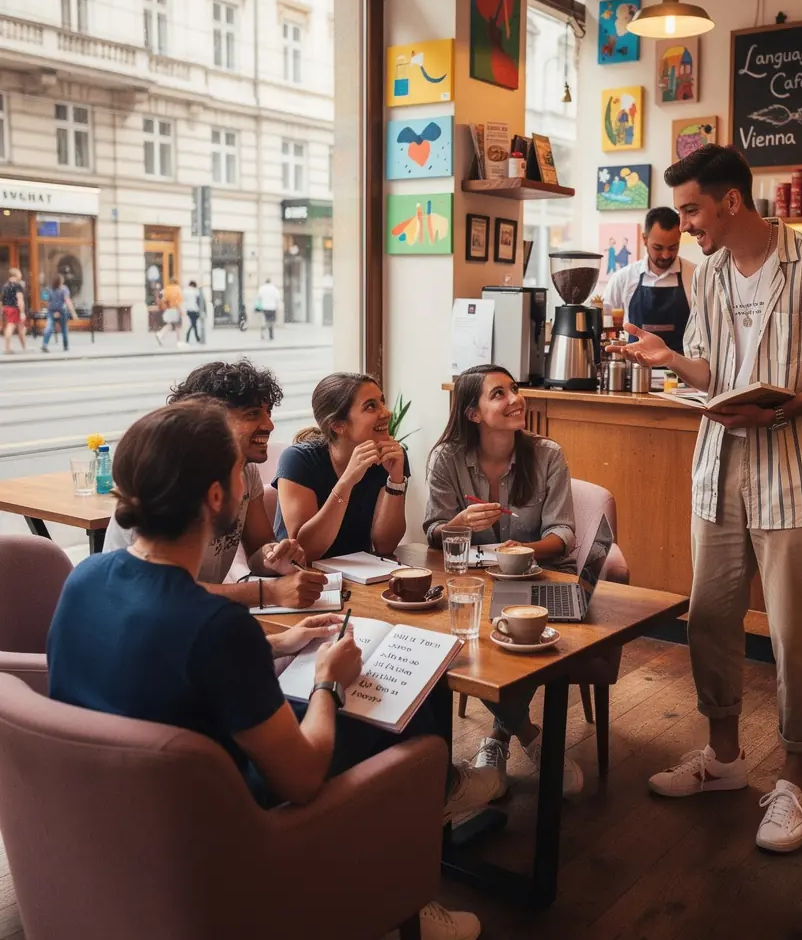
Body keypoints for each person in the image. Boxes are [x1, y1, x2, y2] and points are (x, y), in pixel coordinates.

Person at [48, 401, 487, 940]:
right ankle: (405, 897)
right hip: (227, 833)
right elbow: (301, 779)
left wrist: (282, 642)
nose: (247, 485)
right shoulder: (216, 628)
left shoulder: (84, 577)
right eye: (240, 472)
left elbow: (162, 650)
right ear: (215, 496)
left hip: (111, 820)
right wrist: (327, 681)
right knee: (408, 716)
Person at [610, 144, 802, 853]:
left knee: (793, 634)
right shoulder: (713, 274)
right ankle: (723, 759)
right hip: (719, 466)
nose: (685, 225)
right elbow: (711, 369)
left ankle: (794, 782)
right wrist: (670, 361)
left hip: (794, 469)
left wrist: (778, 411)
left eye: (692, 210)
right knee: (711, 620)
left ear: (730, 201)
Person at [423, 364, 584, 798]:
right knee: (465, 638)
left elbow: (563, 535)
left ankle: (496, 737)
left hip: (541, 576)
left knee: (518, 636)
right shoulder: (446, 458)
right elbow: (434, 531)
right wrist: (458, 523)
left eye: (514, 389)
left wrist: (520, 551)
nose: (515, 399)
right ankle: (528, 734)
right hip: (477, 581)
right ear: (473, 413)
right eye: (499, 394)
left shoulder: (547, 454)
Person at [104, 360, 323, 611]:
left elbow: (257, 551)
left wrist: (274, 556)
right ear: (210, 420)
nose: (269, 425)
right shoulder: (171, 478)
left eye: (268, 412)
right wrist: (269, 592)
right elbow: (169, 590)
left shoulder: (247, 471)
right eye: (253, 414)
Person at [274, 373, 410, 562]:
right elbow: (304, 552)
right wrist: (347, 481)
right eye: (371, 406)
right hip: (297, 574)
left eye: (382, 402)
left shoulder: (389, 457)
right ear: (338, 425)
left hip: (359, 574)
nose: (387, 413)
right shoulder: (298, 460)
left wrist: (395, 481)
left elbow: (384, 546)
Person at [595, 207, 695, 355]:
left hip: (681, 368)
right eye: (658, 248)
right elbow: (605, 325)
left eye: (673, 247)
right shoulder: (623, 278)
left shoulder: (695, 276)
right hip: (635, 366)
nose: (666, 255)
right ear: (644, 239)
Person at [41, 272, 76, 353]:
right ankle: (66, 346)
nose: (63, 282)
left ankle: (45, 345)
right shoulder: (64, 289)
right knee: (64, 329)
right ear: (58, 282)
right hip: (61, 311)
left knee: (49, 328)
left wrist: (51, 307)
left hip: (52, 311)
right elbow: (67, 300)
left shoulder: (47, 289)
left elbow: (44, 301)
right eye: (62, 281)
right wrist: (73, 312)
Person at [2, 268, 27, 355]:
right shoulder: (17, 285)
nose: (21, 275)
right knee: (11, 326)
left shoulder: (5, 286)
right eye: (19, 273)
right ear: (16, 275)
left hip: (7, 307)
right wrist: (22, 312)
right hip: (14, 308)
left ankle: (24, 347)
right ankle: (7, 348)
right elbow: (20, 299)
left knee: (20, 327)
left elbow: (2, 298)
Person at [156, 277, 184, 347]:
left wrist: (163, 305)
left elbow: (160, 297)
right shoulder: (178, 289)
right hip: (175, 310)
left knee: (170, 324)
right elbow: (178, 302)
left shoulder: (166, 289)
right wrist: (180, 310)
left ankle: (160, 334)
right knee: (177, 325)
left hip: (168, 309)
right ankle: (178, 342)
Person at [183, 280, 203, 344]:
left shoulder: (185, 291)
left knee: (194, 324)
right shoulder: (195, 291)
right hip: (194, 310)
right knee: (193, 324)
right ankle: (189, 336)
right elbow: (199, 298)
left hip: (189, 310)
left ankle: (197, 338)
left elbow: (184, 300)